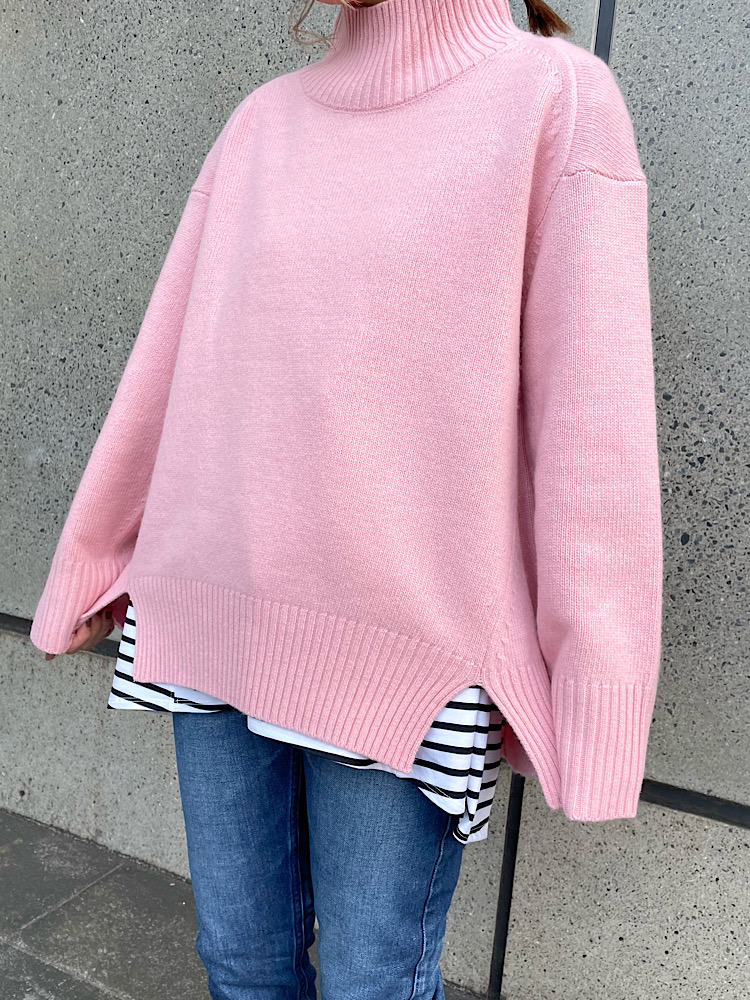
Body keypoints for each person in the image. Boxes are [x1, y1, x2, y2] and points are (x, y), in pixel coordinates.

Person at [30, 0, 664, 996]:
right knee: (240, 965)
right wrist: (93, 560)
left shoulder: (555, 100)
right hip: (211, 615)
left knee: (372, 983)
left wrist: (598, 689)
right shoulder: (263, 121)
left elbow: (593, 432)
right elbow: (169, 364)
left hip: (406, 658)